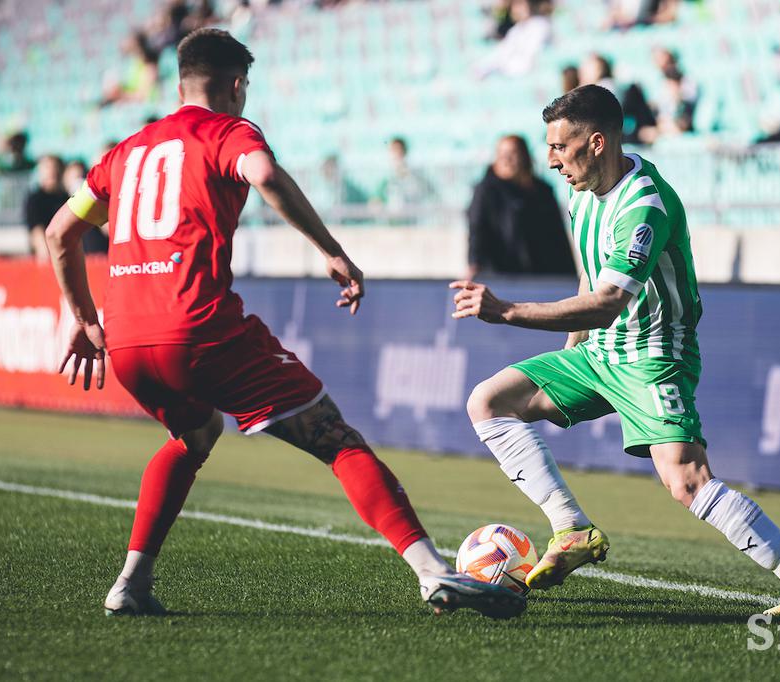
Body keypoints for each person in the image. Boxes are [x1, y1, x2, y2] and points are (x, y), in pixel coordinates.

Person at [44, 28, 524, 620]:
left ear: (179, 82)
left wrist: (81, 317)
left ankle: (131, 584)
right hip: (200, 326)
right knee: (336, 440)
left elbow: (59, 232)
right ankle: (432, 572)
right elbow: (264, 175)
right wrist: (330, 249)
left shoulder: (127, 151)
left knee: (192, 438)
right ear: (237, 85)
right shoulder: (227, 131)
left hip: (128, 340)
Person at [450, 85, 780, 617]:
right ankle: (572, 530)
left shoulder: (646, 206)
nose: (551, 159)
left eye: (560, 146)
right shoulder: (579, 192)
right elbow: (591, 276)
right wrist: (570, 356)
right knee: (488, 401)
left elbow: (607, 301)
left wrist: (508, 311)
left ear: (597, 142)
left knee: (687, 481)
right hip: (598, 353)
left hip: (653, 358)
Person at [467, 135, 575, 279]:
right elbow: (477, 230)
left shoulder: (543, 191)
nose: (507, 160)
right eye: (502, 155)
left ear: (525, 156)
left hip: (542, 275)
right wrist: (475, 264)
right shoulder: (486, 191)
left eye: (513, 153)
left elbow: (558, 236)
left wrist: (569, 274)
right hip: (502, 275)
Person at [25, 155, 68, 261]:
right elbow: (36, 230)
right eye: (48, 168)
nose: (52, 171)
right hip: (47, 256)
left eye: (55, 167)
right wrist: (46, 254)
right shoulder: (35, 199)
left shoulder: (67, 198)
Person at [63, 159, 109, 256]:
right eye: (74, 178)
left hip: (97, 256)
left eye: (81, 177)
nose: (78, 182)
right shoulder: (59, 202)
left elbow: (107, 229)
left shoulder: (97, 200)